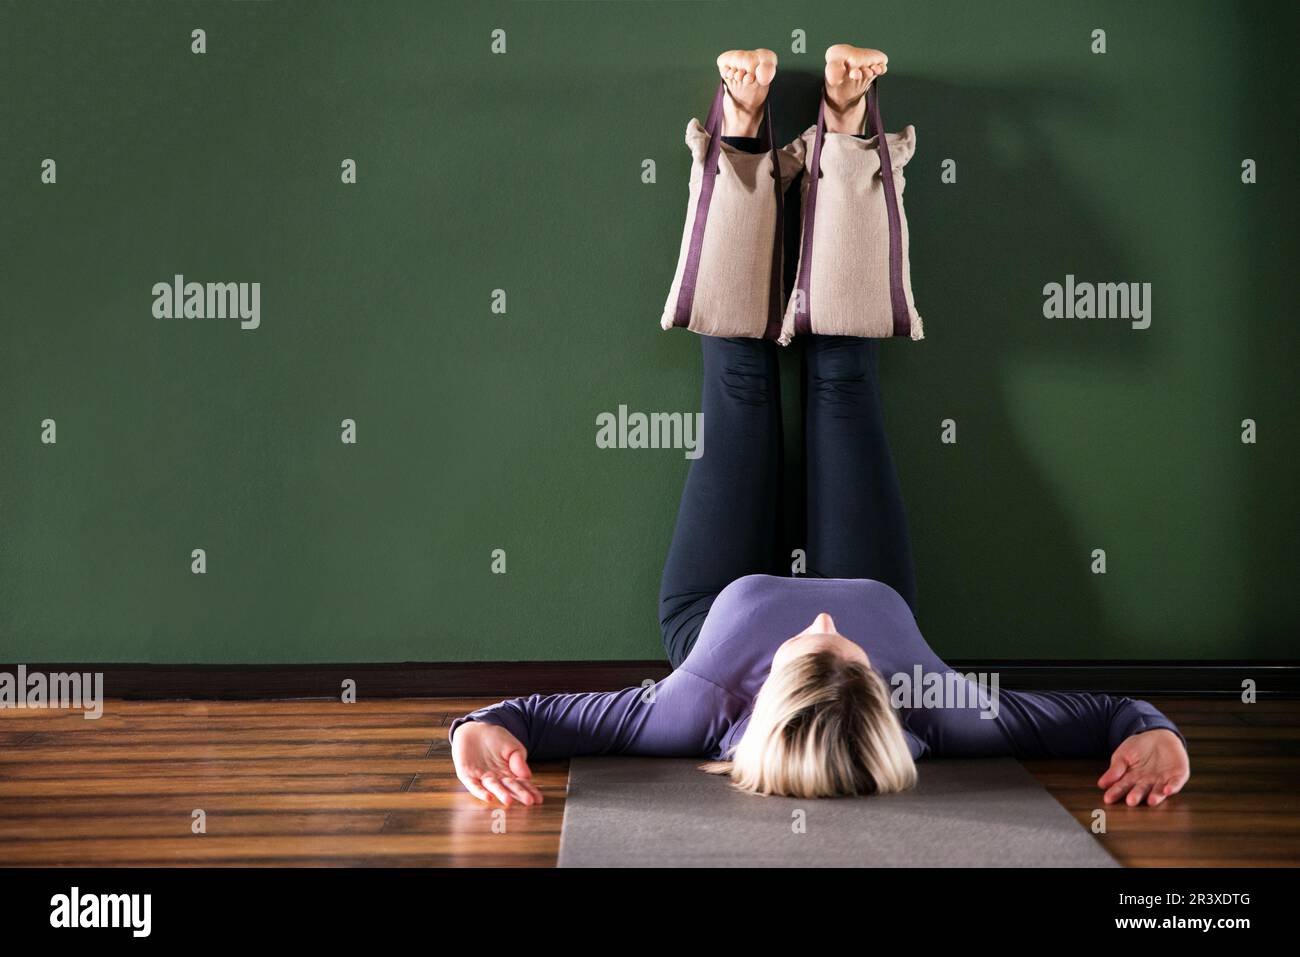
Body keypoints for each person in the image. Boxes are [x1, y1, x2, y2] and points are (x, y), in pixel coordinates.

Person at [449, 45, 1191, 806]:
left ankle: (741, 133)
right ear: (887, 691)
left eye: (813, 641)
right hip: (875, 581)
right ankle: (847, 125)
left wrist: (477, 729)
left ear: (758, 694)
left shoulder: (690, 705)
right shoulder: (933, 701)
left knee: (740, 389)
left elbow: (530, 717)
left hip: (715, 617)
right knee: (842, 386)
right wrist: (1156, 734)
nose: (825, 613)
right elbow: (1099, 714)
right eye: (854, 649)